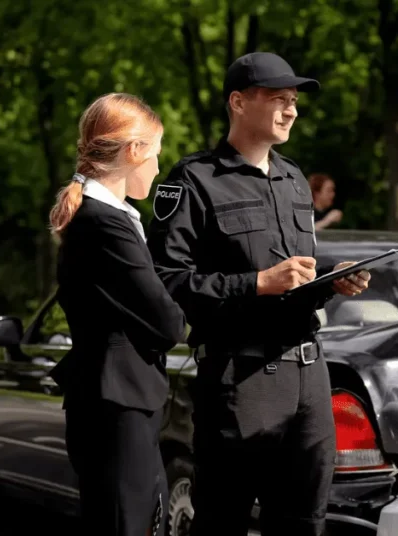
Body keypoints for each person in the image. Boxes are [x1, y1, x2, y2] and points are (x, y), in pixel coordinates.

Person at [145, 51, 370, 536]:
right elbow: (167, 279)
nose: (291, 110)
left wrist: (332, 278)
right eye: (278, 99)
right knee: (224, 519)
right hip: (240, 380)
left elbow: (296, 279)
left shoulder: (294, 180)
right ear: (238, 102)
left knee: (304, 520)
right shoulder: (193, 181)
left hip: (309, 376)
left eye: (293, 101)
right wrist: (257, 284)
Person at [47, 93, 186, 536]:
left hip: (115, 399)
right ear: (133, 151)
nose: (159, 168)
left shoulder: (105, 217)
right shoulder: (104, 222)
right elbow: (167, 324)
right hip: (116, 404)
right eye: (156, 155)